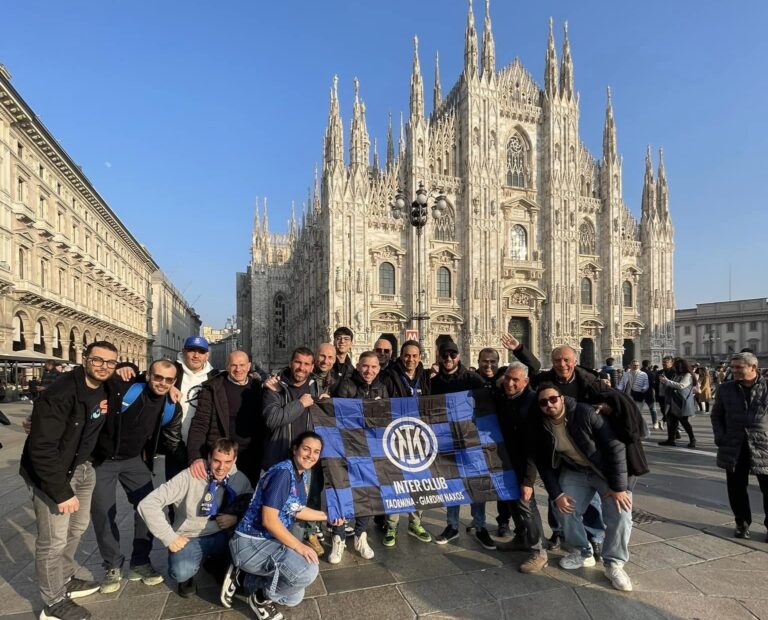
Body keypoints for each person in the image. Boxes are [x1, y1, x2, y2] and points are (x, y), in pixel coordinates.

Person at [20, 341, 121, 620]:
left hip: (84, 467)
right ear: (86, 360)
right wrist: (60, 492)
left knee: (77, 528)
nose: (104, 367)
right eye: (98, 360)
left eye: (110, 363)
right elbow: (41, 449)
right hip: (53, 473)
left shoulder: (107, 387)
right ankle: (53, 602)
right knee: (52, 540)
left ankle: (64, 577)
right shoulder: (61, 392)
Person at [221, 432, 343, 619]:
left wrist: (328, 516)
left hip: (269, 542)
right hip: (251, 542)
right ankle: (260, 598)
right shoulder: (283, 474)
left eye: (316, 452)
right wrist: (299, 546)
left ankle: (244, 577)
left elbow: (296, 509)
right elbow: (269, 521)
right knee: (307, 571)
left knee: (293, 597)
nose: (311, 455)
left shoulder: (304, 473)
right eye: (306, 449)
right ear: (295, 449)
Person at [91, 359, 183, 594]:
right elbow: (100, 380)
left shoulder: (170, 405)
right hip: (102, 460)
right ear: (148, 375)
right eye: (158, 377)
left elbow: (172, 440)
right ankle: (112, 565)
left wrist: (193, 462)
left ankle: (140, 561)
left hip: (134, 460)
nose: (162, 383)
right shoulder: (128, 386)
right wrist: (124, 364)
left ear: (174, 381)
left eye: (168, 379)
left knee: (148, 507)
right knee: (103, 512)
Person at [531, 383, 634, 592]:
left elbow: (614, 446)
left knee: (621, 512)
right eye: (543, 402)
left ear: (561, 398)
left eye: (553, 399)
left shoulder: (584, 413)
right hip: (576, 470)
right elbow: (543, 463)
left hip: (603, 470)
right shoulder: (541, 425)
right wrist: (557, 494)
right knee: (565, 507)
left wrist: (619, 486)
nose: (549, 404)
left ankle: (614, 563)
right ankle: (581, 550)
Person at [137, 438, 253, 597]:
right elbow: (147, 504)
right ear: (209, 458)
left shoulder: (239, 479)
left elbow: (253, 507)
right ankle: (188, 576)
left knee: (247, 555)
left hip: (222, 535)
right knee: (181, 571)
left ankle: (215, 565)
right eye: (217, 461)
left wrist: (235, 518)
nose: (221, 467)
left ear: (235, 460)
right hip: (190, 536)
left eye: (227, 462)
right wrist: (170, 538)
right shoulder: (189, 476)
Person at [329, 351, 391, 563]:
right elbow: (336, 416)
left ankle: (360, 535)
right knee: (341, 491)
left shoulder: (380, 387)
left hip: (368, 449)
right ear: (358, 365)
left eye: (374, 367)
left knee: (366, 492)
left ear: (379, 368)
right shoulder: (346, 385)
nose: (369, 371)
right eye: (365, 366)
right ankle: (338, 537)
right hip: (345, 449)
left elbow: (385, 416)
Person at [429, 341, 492, 549]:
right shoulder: (435, 382)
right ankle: (452, 525)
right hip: (447, 440)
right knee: (452, 483)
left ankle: (480, 525)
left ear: (459, 356)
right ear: (439, 357)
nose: (448, 358)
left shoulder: (472, 378)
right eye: (444, 355)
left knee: (476, 482)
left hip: (471, 439)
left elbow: (484, 405)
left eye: (452, 354)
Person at [262, 346, 321, 555]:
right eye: (298, 362)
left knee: (300, 504)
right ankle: (273, 549)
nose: (301, 367)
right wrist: (301, 404)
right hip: (279, 457)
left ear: (312, 367)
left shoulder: (316, 387)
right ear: (291, 362)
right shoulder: (275, 387)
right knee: (275, 506)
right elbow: (273, 419)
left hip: (305, 461)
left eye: (306, 364)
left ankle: (298, 543)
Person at [378, 340, 434, 546]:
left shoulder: (426, 376)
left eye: (414, 356)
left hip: (420, 438)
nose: (411, 359)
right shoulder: (389, 376)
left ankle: (415, 522)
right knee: (396, 483)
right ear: (401, 356)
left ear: (420, 357)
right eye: (407, 355)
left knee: (419, 483)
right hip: (397, 437)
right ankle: (391, 526)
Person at [494, 363, 549, 573]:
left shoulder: (531, 402)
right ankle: (521, 537)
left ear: (525, 382)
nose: (510, 383)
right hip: (507, 460)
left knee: (526, 504)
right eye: (507, 378)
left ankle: (540, 551)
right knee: (511, 502)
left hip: (524, 462)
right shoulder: (506, 397)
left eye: (515, 380)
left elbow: (532, 446)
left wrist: (528, 481)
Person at [711, 352, 768, 541]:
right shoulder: (725, 389)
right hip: (734, 443)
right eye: (732, 367)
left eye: (738, 367)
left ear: (753, 367)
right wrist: (721, 437)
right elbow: (716, 415)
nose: (733, 371)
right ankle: (742, 524)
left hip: (764, 444)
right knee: (736, 488)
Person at [187, 350, 264, 485]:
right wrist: (196, 456)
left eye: (242, 365)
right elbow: (200, 424)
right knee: (218, 499)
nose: (238, 369)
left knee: (247, 499)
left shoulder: (258, 388)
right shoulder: (213, 388)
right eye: (233, 365)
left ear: (249, 366)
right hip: (222, 457)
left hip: (251, 457)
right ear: (227, 366)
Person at [658, 357, 697, 449]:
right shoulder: (677, 375)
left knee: (684, 422)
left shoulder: (688, 375)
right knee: (671, 421)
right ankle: (671, 440)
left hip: (681, 401)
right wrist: (666, 381)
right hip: (673, 401)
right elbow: (673, 384)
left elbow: (681, 385)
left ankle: (692, 439)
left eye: (676, 366)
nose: (674, 367)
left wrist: (666, 381)